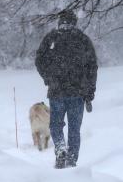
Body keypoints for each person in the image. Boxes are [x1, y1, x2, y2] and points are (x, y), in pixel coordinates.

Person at [34, 10, 98, 169]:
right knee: (74, 129)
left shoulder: (52, 38)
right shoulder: (83, 39)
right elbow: (92, 67)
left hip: (57, 91)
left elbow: (39, 60)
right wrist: (90, 91)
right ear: (74, 22)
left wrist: (48, 77)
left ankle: (61, 148)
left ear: (60, 21)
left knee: (55, 126)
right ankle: (71, 160)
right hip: (78, 92)